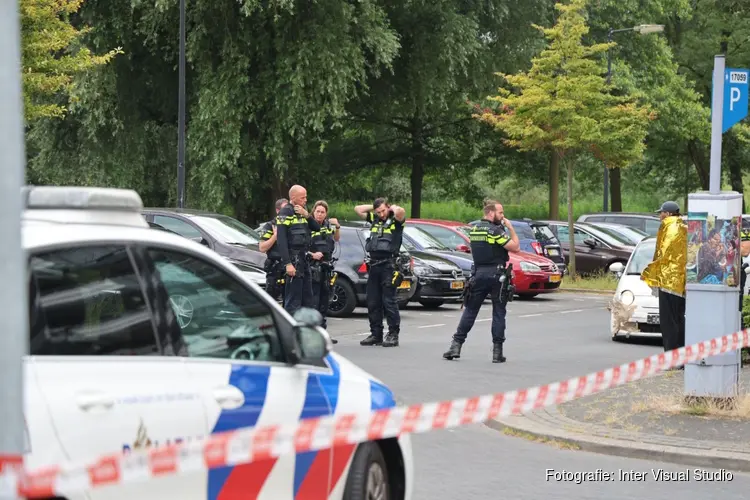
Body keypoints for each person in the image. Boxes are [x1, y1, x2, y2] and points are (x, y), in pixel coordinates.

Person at [442, 200, 520, 363]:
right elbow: (515, 247)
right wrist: (511, 228)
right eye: (500, 213)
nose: (503, 216)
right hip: (497, 275)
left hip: (478, 274)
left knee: (470, 310)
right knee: (498, 312)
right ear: (490, 213)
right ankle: (497, 353)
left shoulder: (475, 230)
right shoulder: (495, 231)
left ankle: (455, 346)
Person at [354, 198, 406, 347]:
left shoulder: (395, 220)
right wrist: (374, 207)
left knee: (389, 301)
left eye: (383, 211)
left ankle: (393, 334)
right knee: (373, 301)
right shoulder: (375, 219)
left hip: (389, 266)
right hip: (374, 265)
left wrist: (392, 208)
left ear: (388, 208)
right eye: (378, 212)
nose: (381, 214)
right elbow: (358, 209)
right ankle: (376, 334)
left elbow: (401, 212)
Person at [641, 201, 687, 362]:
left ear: (668, 214)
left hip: (668, 280)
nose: (660, 216)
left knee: (669, 322)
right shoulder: (683, 226)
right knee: (679, 319)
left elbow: (663, 253)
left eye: (661, 213)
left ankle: (672, 357)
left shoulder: (669, 227)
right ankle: (681, 355)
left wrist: (650, 271)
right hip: (680, 282)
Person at [276, 185, 321, 314]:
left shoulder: (303, 212)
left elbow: (317, 228)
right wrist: (288, 264)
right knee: (293, 301)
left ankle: (306, 330)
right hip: (293, 261)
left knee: (308, 299)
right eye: (303, 197)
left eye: (306, 197)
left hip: (304, 260)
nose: (305, 200)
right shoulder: (286, 213)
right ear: (293, 197)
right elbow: (281, 240)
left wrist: (307, 215)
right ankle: (290, 332)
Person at [308, 200, 340, 343]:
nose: (320, 214)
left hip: (326, 267)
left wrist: (337, 226)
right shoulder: (307, 225)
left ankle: (322, 334)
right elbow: (300, 246)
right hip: (313, 266)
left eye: (322, 212)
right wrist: (312, 254)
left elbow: (337, 238)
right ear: (313, 212)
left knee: (324, 302)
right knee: (313, 302)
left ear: (326, 214)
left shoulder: (328, 226)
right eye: (318, 211)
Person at [259, 198, 289, 302]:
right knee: (272, 301)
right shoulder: (269, 226)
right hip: (274, 270)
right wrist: (275, 236)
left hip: (289, 268)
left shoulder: (291, 225)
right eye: (284, 209)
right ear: (277, 211)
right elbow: (262, 248)